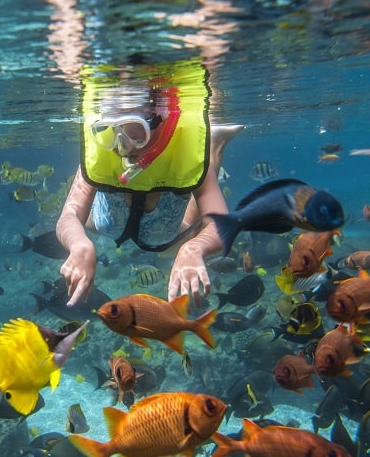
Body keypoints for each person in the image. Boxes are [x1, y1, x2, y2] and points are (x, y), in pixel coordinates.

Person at [56, 60, 242, 307]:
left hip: (167, 234)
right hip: (105, 223)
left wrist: (194, 249)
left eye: (137, 133)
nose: (124, 147)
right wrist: (78, 243)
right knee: (93, 222)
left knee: (184, 235)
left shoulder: (184, 154)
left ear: (161, 121)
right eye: (111, 132)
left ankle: (214, 144)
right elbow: (69, 216)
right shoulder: (101, 158)